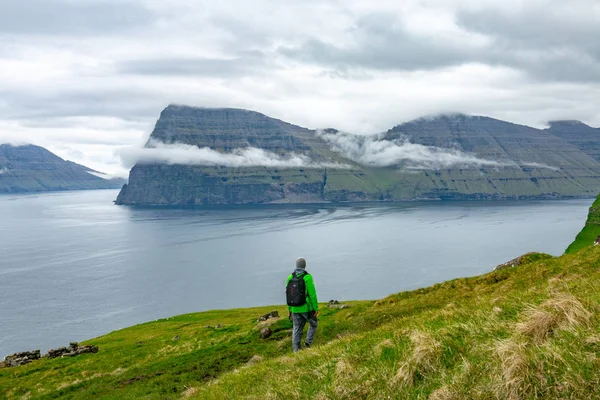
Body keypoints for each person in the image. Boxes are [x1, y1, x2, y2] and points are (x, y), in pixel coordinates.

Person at [286, 257, 319, 352]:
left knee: (296, 328)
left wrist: (290, 309)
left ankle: (296, 351)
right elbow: (312, 295)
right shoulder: (307, 277)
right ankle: (308, 344)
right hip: (306, 308)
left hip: (294, 308)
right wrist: (315, 308)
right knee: (314, 324)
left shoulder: (290, 277)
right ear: (304, 265)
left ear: (296, 265)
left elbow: (289, 295)